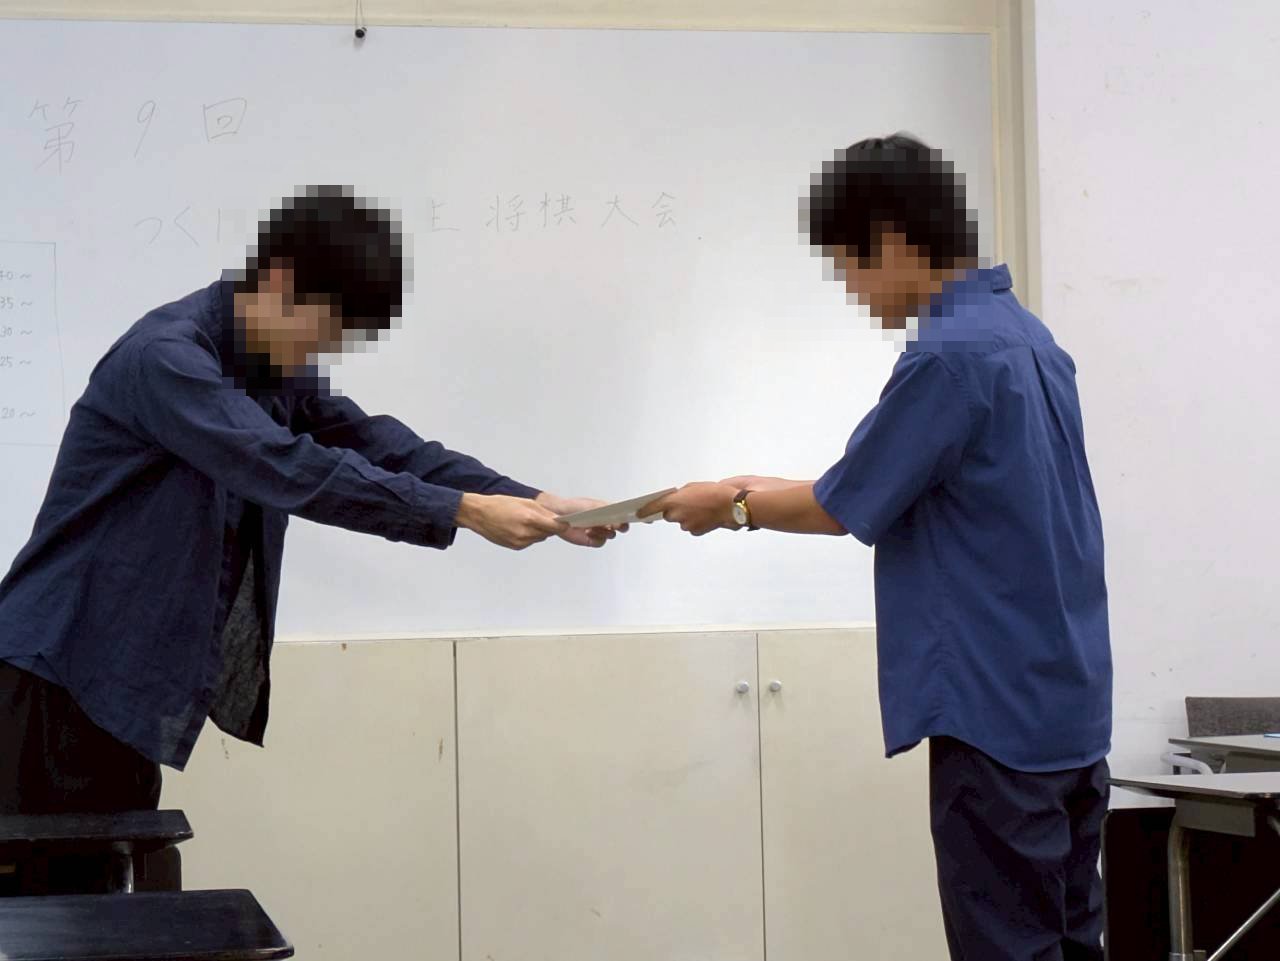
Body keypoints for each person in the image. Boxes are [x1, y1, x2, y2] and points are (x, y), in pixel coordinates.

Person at [0, 186, 618, 840]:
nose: (320, 355)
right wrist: (461, 509)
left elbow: (378, 444)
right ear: (279, 282)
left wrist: (532, 499)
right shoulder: (168, 359)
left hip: (117, 694)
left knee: (112, 889)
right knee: (48, 898)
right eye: (325, 333)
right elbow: (283, 464)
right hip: (50, 677)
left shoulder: (268, 367)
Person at [644, 135, 1112, 961]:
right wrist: (745, 486)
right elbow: (877, 482)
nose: (853, 292)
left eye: (848, 266)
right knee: (1072, 944)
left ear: (892, 240)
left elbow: (843, 505)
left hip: (993, 719)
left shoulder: (949, 356)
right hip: (1066, 712)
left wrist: (733, 506)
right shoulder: (1029, 340)